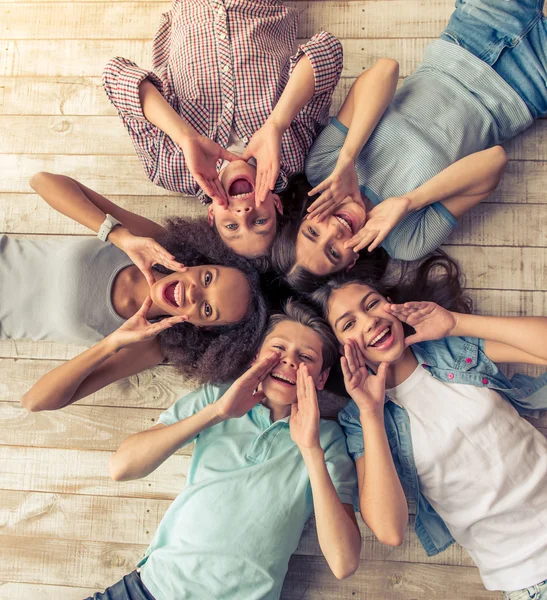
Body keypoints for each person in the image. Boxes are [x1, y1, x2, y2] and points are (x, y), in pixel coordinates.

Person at [85, 300, 361, 600]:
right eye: (278, 349)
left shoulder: (329, 440)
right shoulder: (216, 397)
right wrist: (217, 412)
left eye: (305, 357)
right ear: (257, 357)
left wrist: (310, 449)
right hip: (148, 589)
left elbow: (343, 562)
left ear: (321, 377)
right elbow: (121, 467)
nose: (289, 361)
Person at [310, 254, 547, 598]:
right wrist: (372, 412)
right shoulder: (359, 421)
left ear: (391, 306)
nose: (369, 322)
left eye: (372, 304)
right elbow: (389, 531)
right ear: (339, 350)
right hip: (528, 576)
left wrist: (457, 324)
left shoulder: (450, 350)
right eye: (348, 324)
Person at [276, 0, 546, 284]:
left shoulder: (323, 167)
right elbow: (494, 161)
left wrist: (348, 158)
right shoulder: (407, 241)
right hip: (527, 89)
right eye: (333, 252)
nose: (334, 231)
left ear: (304, 217)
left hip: (470, 36)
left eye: (313, 233)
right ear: (351, 262)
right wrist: (407, 202)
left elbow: (385, 70)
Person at [103, 0, 343, 259]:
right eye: (260, 223)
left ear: (211, 216)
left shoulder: (168, 169)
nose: (244, 215)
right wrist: (277, 124)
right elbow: (327, 50)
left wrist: (185, 137)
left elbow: (116, 75)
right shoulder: (295, 154)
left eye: (231, 226)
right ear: (276, 205)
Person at [14, 173, 267, 412]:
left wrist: (111, 344)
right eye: (208, 278)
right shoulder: (154, 241)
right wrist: (119, 236)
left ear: (202, 327)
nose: (194, 294)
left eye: (208, 309)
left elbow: (34, 402)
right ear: (205, 261)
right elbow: (42, 182)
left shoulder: (146, 347)